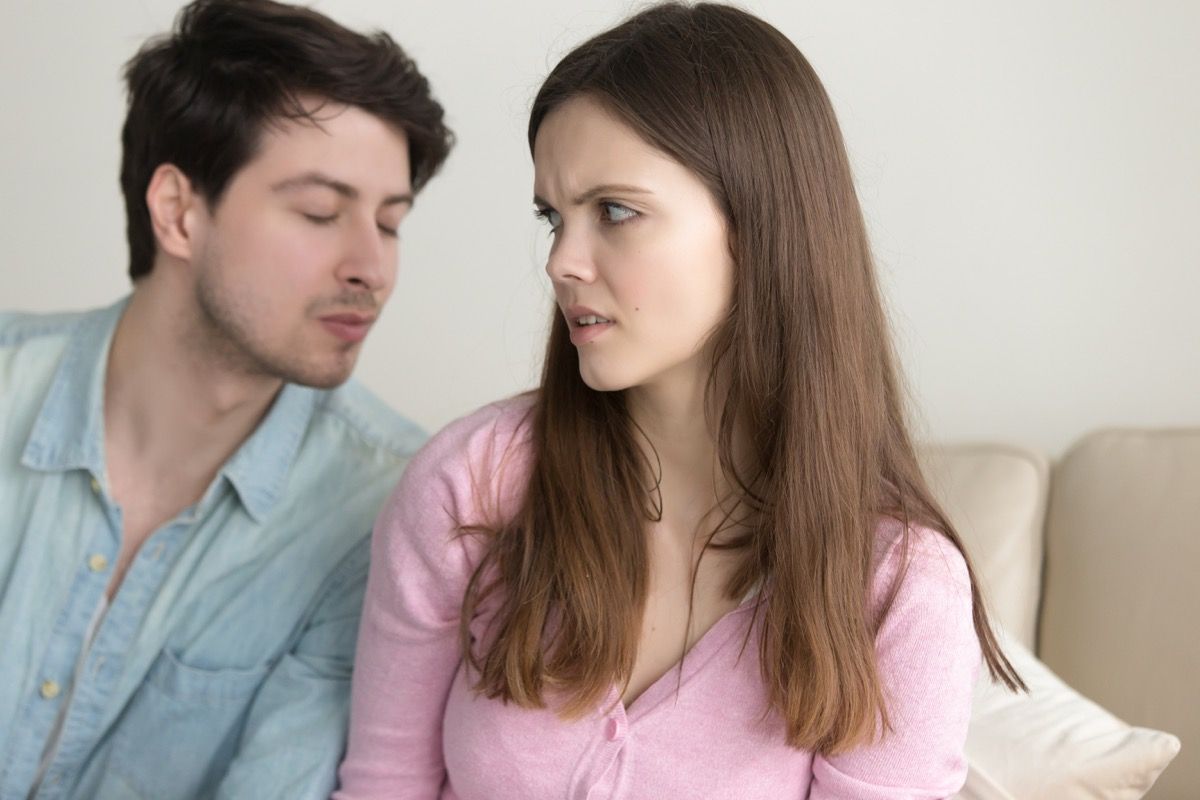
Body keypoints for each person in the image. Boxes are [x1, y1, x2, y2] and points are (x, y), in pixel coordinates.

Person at [336, 3, 1021, 798]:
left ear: (759, 226)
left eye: (615, 211)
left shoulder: (899, 591)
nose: (561, 260)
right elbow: (382, 784)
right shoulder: (471, 484)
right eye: (553, 217)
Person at [0, 1, 451, 797]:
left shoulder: (385, 514)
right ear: (178, 211)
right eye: (320, 212)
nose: (371, 267)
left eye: (390, 222)